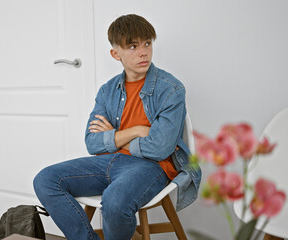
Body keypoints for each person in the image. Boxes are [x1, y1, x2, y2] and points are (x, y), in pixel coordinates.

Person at [33, 14, 201, 240]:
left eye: (147, 43)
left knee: (114, 200)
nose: (143, 52)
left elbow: (160, 148)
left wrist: (114, 136)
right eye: (133, 46)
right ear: (116, 54)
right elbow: (92, 142)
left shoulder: (171, 89)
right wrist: (136, 131)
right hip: (107, 161)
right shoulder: (107, 90)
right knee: (45, 179)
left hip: (151, 167)